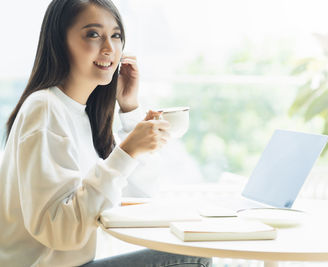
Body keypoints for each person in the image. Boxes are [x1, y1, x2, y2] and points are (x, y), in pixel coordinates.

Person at [0, 0, 212, 266]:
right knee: (193, 258)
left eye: (116, 35)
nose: (109, 48)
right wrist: (126, 152)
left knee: (193, 252)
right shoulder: (45, 109)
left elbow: (142, 194)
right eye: (93, 34)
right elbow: (61, 231)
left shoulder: (80, 113)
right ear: (59, 42)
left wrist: (130, 109)